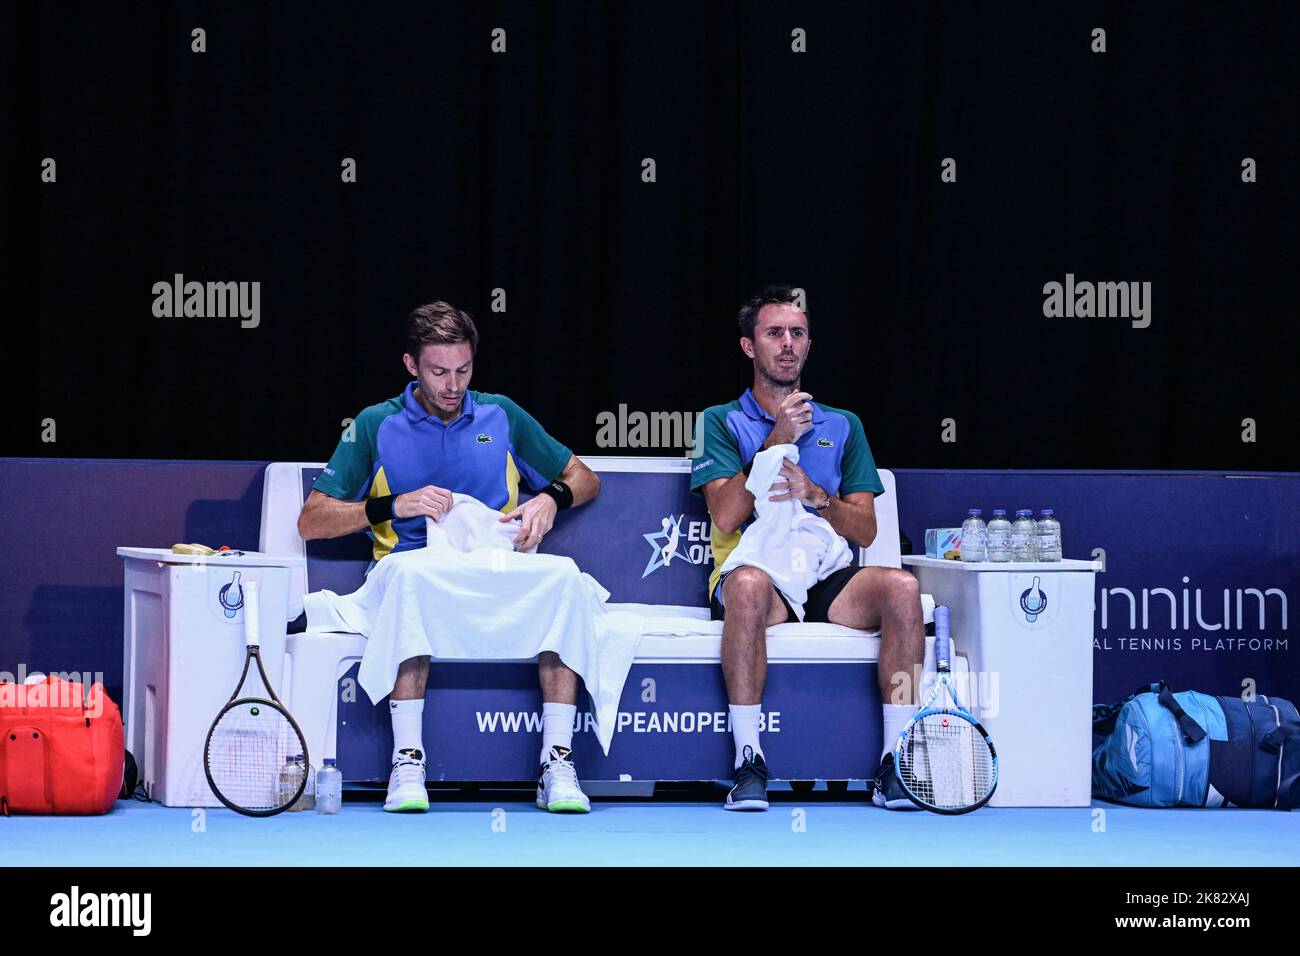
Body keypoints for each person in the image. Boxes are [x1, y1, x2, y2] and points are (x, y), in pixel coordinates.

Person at [297, 301, 602, 813]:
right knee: (414, 580)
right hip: (410, 569)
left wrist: (551, 497)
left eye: (463, 370)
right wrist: (393, 505)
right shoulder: (374, 424)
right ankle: (408, 761)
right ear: (411, 366)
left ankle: (557, 760)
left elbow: (585, 478)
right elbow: (311, 519)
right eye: (439, 372)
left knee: (567, 579)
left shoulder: (501, 415)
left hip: (493, 573)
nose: (453, 385)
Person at [690, 285, 926, 810]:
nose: (788, 344)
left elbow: (864, 530)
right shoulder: (714, 422)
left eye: (797, 333)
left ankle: (896, 761)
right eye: (774, 333)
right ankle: (748, 762)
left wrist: (819, 497)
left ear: (809, 345)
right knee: (748, 589)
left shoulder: (844, 426)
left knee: (904, 590)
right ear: (749, 347)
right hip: (756, 574)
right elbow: (726, 513)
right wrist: (775, 440)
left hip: (825, 578)